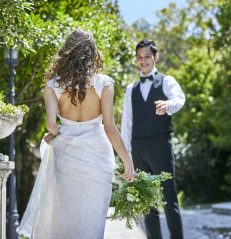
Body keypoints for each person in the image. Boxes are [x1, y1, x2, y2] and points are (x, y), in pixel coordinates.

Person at [17, 29, 135, 239]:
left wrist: (54, 134)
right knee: (92, 221)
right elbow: (109, 127)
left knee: (65, 218)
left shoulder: (52, 86)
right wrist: (127, 160)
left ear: (66, 52)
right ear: (92, 52)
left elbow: (51, 124)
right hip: (97, 156)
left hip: (66, 158)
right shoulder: (104, 83)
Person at [121, 39, 185, 239]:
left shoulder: (167, 81)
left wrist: (169, 105)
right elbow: (126, 124)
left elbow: (179, 98)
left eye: (147, 56)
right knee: (148, 204)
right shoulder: (131, 88)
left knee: (169, 200)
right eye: (139, 57)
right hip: (138, 148)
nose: (143, 60)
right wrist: (126, 159)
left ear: (155, 57)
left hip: (160, 145)